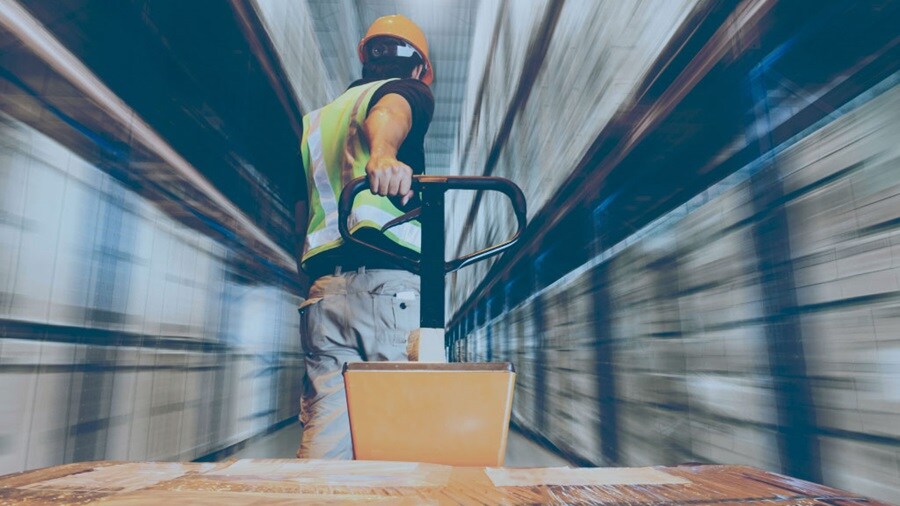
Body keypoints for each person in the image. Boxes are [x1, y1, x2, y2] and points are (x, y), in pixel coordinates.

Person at [293, 14, 435, 459]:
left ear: (366, 59)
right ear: (419, 68)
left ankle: (316, 491)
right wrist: (384, 154)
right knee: (400, 441)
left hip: (324, 295)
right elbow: (391, 112)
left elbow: (301, 212)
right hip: (388, 291)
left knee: (327, 437)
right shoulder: (408, 91)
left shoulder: (319, 120)